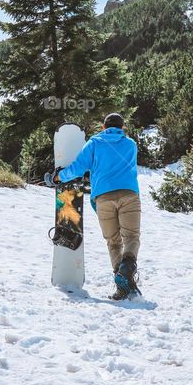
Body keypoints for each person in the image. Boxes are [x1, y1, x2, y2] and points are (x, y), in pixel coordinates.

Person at [47, 113, 142, 300]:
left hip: (104, 198)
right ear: (122, 128)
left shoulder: (95, 143)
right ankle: (127, 270)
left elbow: (77, 168)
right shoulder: (131, 144)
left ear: (103, 127)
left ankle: (121, 283)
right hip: (129, 195)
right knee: (131, 236)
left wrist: (58, 177)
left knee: (113, 241)